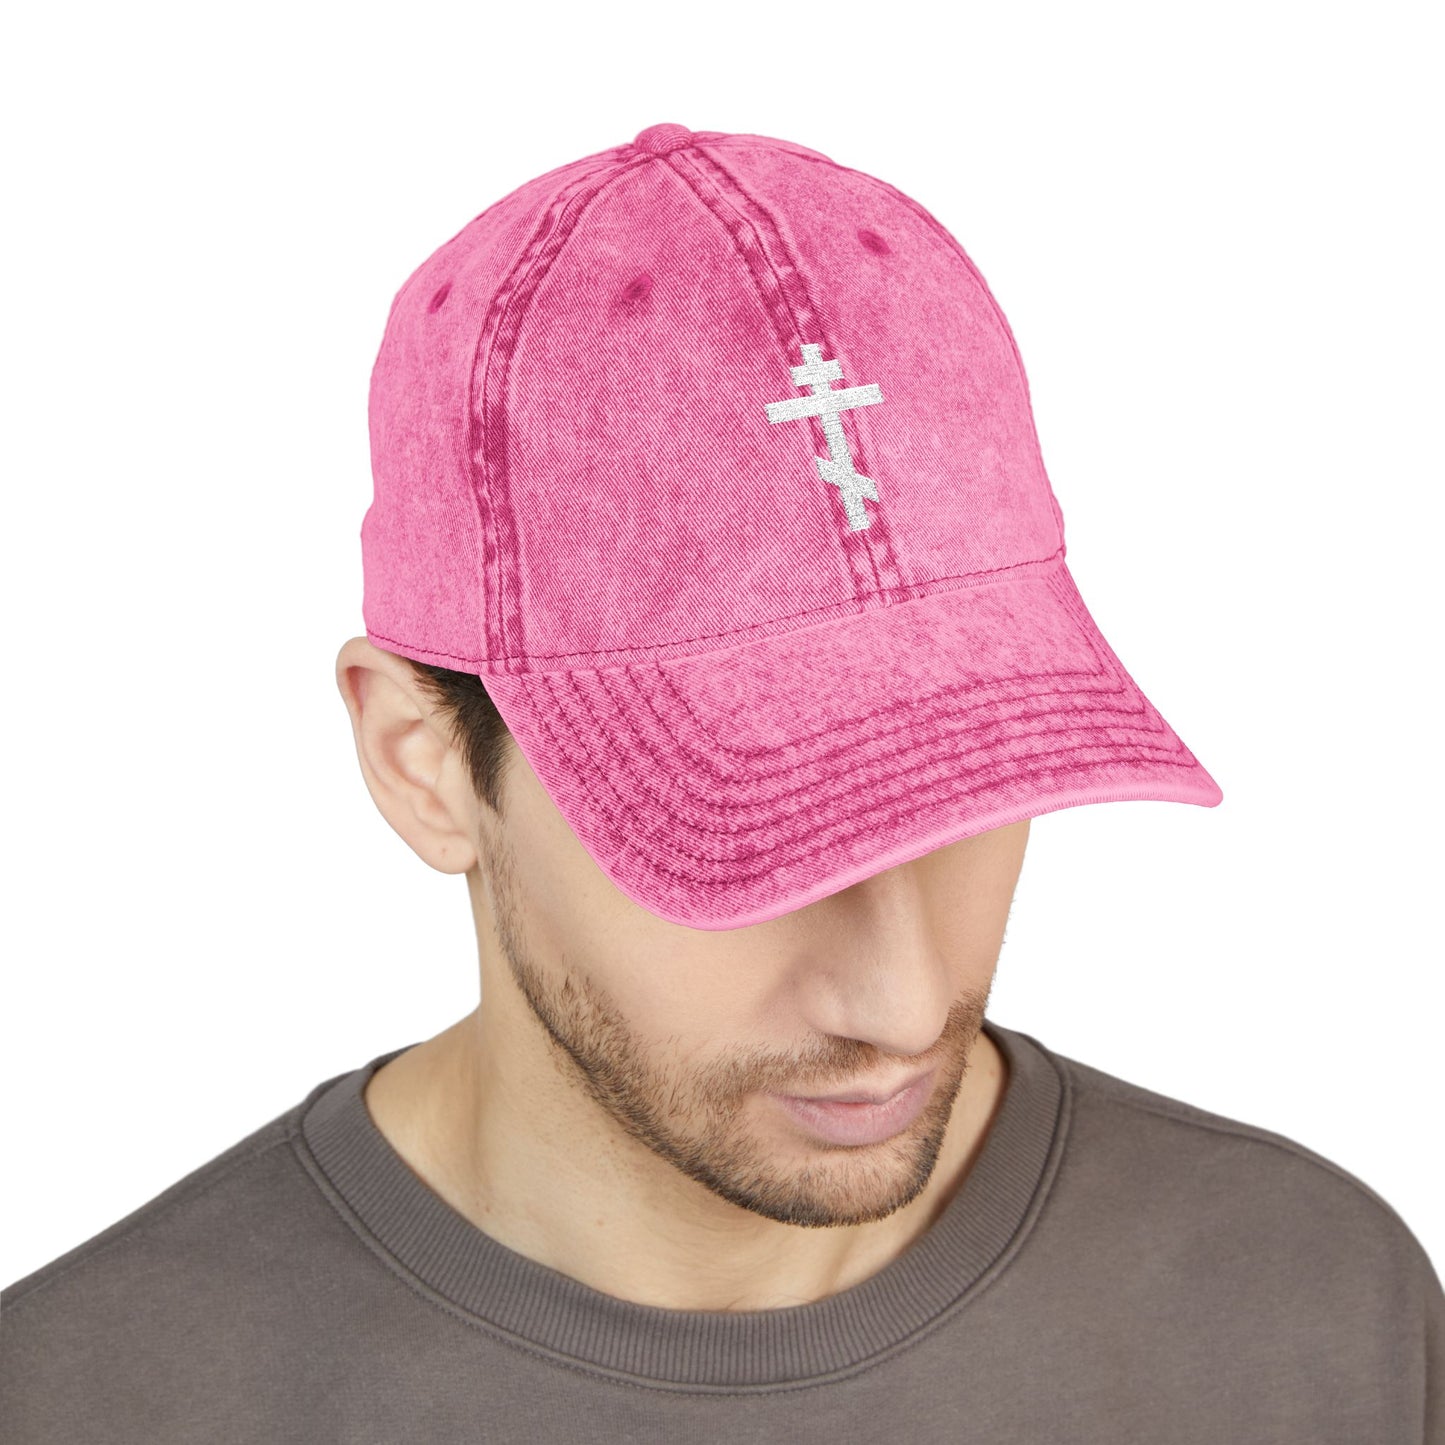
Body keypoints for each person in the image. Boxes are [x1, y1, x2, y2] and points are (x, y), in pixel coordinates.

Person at [3, 123, 1440, 1443]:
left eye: (961, 787)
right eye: (755, 840)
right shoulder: (95, 1396)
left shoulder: (1306, 1310)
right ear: (423, 761)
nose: (896, 1002)